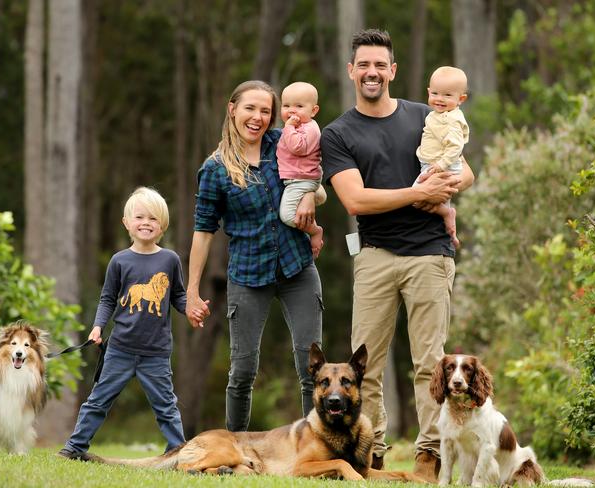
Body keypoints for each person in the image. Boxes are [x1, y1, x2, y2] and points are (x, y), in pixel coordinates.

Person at [319, 29, 474, 481]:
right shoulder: (338, 133)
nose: (372, 72)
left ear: (393, 71)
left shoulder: (427, 115)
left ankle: (431, 455)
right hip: (375, 256)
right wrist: (416, 192)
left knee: (431, 363)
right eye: (363, 65)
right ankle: (374, 451)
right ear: (352, 71)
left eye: (380, 65)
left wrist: (442, 192)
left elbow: (465, 171)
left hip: (430, 255)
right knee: (364, 365)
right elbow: (356, 201)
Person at [185, 80, 323, 432]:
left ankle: (316, 446)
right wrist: (192, 291)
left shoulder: (282, 143)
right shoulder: (214, 169)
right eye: (251, 108)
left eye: (265, 111)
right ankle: (235, 448)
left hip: (297, 266)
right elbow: (203, 233)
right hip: (247, 274)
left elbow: (314, 164)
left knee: (311, 366)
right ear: (232, 109)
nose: (258, 117)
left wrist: (310, 196)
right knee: (243, 369)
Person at [58, 187, 203, 459]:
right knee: (98, 400)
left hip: (156, 352)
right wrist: (98, 326)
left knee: (166, 406)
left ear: (162, 226)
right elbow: (107, 299)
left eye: (153, 219)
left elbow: (179, 296)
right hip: (120, 348)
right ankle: (74, 448)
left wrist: (191, 310)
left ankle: (178, 452)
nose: (146, 223)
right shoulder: (119, 261)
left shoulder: (169, 260)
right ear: (127, 223)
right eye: (140, 217)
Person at [415, 66, 469, 249]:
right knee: (429, 200)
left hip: (440, 166)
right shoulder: (437, 114)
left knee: (415, 196)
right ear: (428, 92)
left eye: (447, 95)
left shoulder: (452, 120)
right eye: (435, 93)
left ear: (460, 99)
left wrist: (441, 164)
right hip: (433, 164)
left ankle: (447, 214)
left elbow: (456, 147)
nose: (439, 99)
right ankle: (450, 229)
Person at [277, 81, 324, 257]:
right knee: (294, 212)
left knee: (288, 217)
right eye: (286, 105)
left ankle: (315, 230)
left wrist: (288, 127)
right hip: (297, 178)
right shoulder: (296, 127)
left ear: (313, 111)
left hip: (302, 179)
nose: (291, 110)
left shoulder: (310, 128)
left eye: (299, 106)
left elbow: (298, 147)